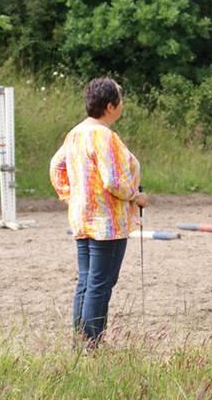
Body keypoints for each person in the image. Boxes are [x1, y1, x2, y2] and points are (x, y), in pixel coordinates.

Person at [50, 77, 148, 349]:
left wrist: (72, 196)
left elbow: (56, 167)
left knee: (87, 279)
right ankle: (92, 342)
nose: (122, 103)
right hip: (108, 221)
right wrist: (136, 196)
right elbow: (114, 181)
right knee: (100, 282)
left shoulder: (76, 133)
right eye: (120, 98)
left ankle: (79, 339)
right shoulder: (105, 136)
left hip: (82, 218)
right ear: (110, 106)